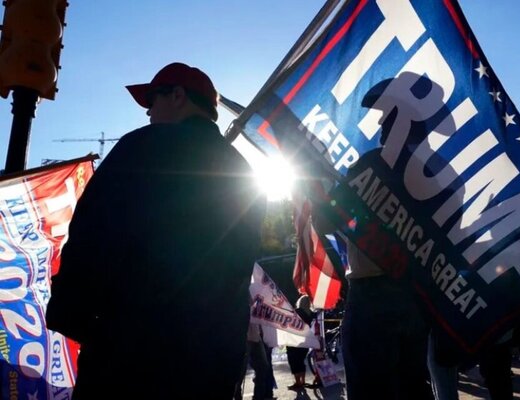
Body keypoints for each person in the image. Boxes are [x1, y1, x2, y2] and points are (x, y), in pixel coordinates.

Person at [45, 62, 266, 399]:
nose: (148, 112)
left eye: (152, 101)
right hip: (211, 359)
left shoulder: (142, 148)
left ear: (178, 96)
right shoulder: (244, 171)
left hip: (130, 354)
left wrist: (70, 312)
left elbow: (94, 236)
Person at [313, 78, 434, 399]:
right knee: (413, 386)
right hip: (416, 298)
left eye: (385, 117)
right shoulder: (439, 178)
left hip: (371, 298)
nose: (380, 125)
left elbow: (324, 218)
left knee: (370, 388)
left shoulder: (372, 165)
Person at [286, 294, 317, 390]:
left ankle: (297, 382)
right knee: (301, 361)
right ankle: (302, 381)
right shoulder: (311, 314)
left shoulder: (297, 312)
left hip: (294, 341)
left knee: (293, 361)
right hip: (305, 341)